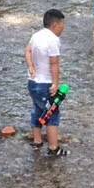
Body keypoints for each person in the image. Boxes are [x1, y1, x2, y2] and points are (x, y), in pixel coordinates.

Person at [26, 9, 67, 156]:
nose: (63, 28)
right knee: (52, 114)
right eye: (62, 25)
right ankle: (53, 148)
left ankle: (37, 141)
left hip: (32, 83)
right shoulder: (53, 40)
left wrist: (31, 66)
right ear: (55, 24)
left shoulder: (36, 35)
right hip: (45, 84)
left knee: (38, 110)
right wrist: (55, 84)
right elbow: (54, 64)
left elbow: (28, 51)